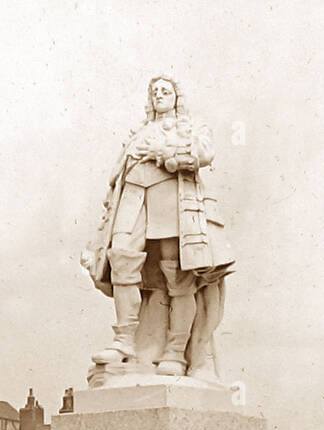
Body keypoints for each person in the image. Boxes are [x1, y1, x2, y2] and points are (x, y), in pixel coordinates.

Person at [81, 75, 234, 378]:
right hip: (135, 195)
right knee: (121, 258)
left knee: (177, 273)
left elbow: (204, 153)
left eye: (166, 91)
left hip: (170, 197)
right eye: (155, 92)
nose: (159, 95)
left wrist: (165, 154)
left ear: (177, 96)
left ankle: (176, 352)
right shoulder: (139, 132)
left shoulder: (189, 126)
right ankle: (124, 340)